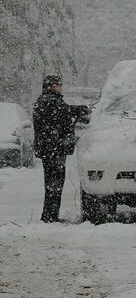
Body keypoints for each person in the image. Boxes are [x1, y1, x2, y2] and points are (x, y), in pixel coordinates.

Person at [32, 75, 91, 223]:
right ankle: (49, 217)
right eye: (58, 84)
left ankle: (50, 215)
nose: (60, 87)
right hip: (52, 149)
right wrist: (81, 109)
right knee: (54, 184)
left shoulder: (49, 100)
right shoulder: (48, 101)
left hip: (52, 148)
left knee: (54, 184)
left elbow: (62, 114)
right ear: (50, 86)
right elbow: (64, 111)